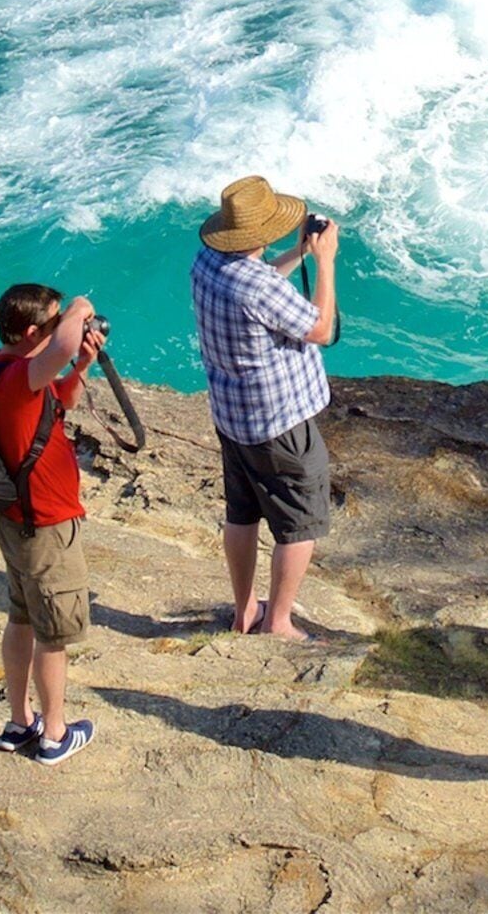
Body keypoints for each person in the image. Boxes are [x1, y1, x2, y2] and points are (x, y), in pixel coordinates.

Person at [188, 174, 338, 638]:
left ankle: (244, 609)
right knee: (300, 521)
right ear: (260, 235)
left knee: (242, 513)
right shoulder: (257, 288)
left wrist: (298, 253)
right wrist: (326, 264)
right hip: (280, 423)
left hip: (232, 417)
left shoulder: (206, 262)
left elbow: (259, 284)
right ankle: (279, 621)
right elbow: (319, 330)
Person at [0, 282, 105, 763]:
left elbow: (60, 404)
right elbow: (65, 341)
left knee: (23, 617)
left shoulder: (5, 367)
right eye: (52, 324)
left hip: (16, 522)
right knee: (53, 636)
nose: (63, 329)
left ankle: (18, 721)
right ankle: (54, 734)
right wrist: (77, 310)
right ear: (35, 333)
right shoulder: (17, 379)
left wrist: (83, 365)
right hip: (46, 526)